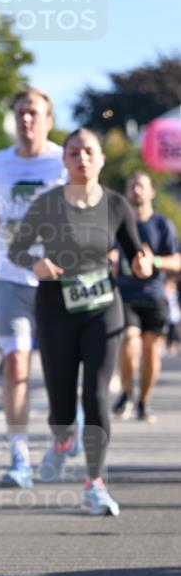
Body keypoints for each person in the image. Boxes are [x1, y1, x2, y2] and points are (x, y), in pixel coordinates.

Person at [9, 129, 152, 516]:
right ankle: (61, 439)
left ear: (101, 158)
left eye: (89, 152)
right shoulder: (47, 203)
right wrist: (36, 263)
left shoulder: (117, 205)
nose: (82, 158)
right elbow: (16, 249)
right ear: (64, 160)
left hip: (103, 308)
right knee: (61, 402)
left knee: (96, 395)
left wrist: (142, 263)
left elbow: (135, 253)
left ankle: (95, 483)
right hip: (55, 309)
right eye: (74, 152)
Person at [0, 88, 66, 488]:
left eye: (34, 113)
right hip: (10, 279)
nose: (27, 119)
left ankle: (69, 425)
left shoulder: (64, 161)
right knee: (15, 365)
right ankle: (19, 455)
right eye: (21, 112)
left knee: (62, 370)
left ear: (48, 120)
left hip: (58, 281)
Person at [113, 171, 180, 422]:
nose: (136, 190)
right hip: (125, 294)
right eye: (131, 186)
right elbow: (106, 252)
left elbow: (177, 261)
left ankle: (144, 401)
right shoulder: (118, 224)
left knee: (151, 352)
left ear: (152, 191)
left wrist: (156, 261)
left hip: (154, 295)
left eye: (141, 185)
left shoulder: (162, 224)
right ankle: (127, 393)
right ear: (126, 192)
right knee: (129, 340)